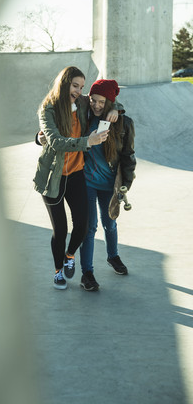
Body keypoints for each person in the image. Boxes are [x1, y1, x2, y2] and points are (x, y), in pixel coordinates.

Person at [33, 67, 119, 290]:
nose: (80, 91)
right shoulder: (48, 108)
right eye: (75, 86)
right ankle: (58, 272)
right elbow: (56, 141)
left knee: (83, 224)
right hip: (52, 177)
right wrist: (86, 142)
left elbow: (101, 103)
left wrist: (116, 109)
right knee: (60, 230)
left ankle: (69, 256)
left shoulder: (81, 103)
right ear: (64, 83)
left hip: (76, 174)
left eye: (82, 87)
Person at [79, 79, 136, 292]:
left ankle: (113, 256)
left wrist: (126, 185)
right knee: (89, 227)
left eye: (101, 102)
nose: (96, 105)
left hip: (110, 184)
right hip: (86, 181)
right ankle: (87, 273)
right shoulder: (84, 115)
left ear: (110, 102)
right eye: (93, 100)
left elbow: (128, 156)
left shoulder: (124, 123)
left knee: (110, 222)